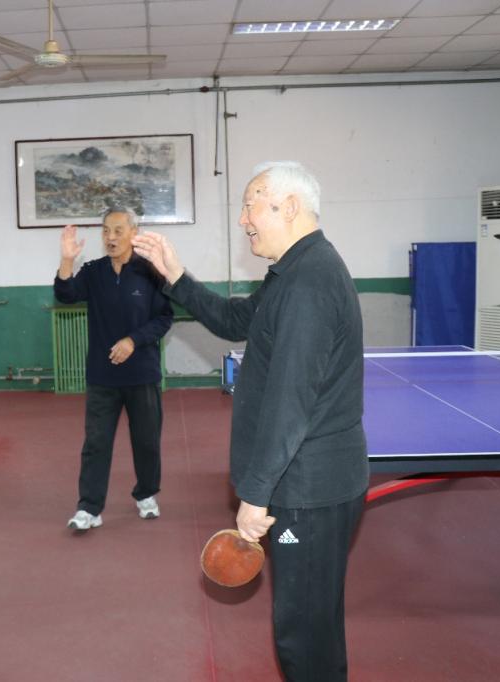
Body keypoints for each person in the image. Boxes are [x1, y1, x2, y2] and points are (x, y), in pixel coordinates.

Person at [132, 162, 368, 681]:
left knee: (303, 636)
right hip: (308, 481)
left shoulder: (309, 283)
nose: (242, 220)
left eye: (249, 205)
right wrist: (176, 277)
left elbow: (291, 401)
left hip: (308, 487)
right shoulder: (293, 270)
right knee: (311, 627)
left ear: (289, 206)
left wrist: (256, 495)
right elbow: (236, 319)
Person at [54, 206, 174, 531]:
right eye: (106, 230)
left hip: (142, 375)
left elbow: (164, 318)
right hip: (102, 377)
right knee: (96, 443)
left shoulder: (151, 272)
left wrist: (134, 341)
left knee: (147, 441)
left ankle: (146, 494)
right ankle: (89, 508)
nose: (111, 237)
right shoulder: (93, 272)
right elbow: (65, 295)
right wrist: (66, 260)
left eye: (119, 230)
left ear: (134, 233)